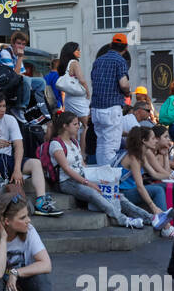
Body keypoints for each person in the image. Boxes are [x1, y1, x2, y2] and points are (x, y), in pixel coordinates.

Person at [47, 114, 167, 233]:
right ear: (65, 126)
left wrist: (97, 179)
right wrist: (88, 183)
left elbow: (83, 165)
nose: (78, 126)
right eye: (75, 124)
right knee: (94, 194)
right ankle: (123, 220)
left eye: (78, 123)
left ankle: (151, 218)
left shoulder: (74, 142)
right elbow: (67, 169)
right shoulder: (56, 144)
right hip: (68, 182)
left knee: (117, 196)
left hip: (83, 178)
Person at [0, 91, 61, 217]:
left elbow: (19, 145)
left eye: (4, 106)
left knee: (35, 163)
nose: (2, 110)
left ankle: (41, 201)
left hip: (8, 161)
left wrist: (17, 170)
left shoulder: (10, 119)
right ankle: (0, 181)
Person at [88, 33, 131, 165]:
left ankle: (102, 175)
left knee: (101, 144)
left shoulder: (98, 61)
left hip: (96, 108)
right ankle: (109, 178)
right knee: (111, 146)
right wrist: (128, 92)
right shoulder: (120, 61)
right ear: (126, 48)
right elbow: (123, 84)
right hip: (111, 107)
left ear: (111, 45)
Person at [56, 42, 91, 150]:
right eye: (77, 50)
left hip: (69, 99)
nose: (79, 52)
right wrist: (87, 91)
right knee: (86, 126)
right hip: (78, 100)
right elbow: (81, 79)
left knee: (73, 127)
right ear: (71, 52)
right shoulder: (74, 63)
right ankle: (83, 154)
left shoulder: (64, 64)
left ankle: (73, 151)